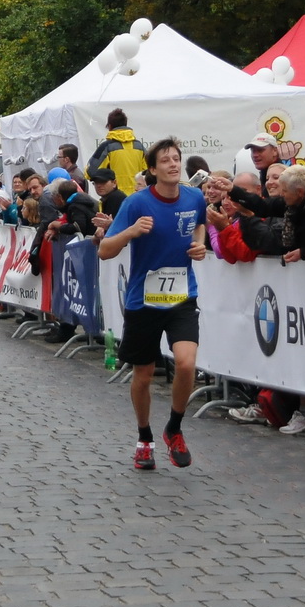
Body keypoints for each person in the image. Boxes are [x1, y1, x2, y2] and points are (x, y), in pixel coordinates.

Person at [98, 137, 207, 471]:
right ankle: (144, 438)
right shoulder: (136, 203)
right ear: (152, 169)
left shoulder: (194, 196)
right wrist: (130, 232)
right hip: (143, 300)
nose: (173, 164)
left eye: (176, 159)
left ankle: (173, 428)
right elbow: (104, 250)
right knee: (143, 374)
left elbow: (200, 224)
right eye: (165, 160)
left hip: (181, 296)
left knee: (186, 363)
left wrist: (199, 244)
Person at [227, 164, 305, 261]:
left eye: (285, 191)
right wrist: (233, 190)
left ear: (300, 192)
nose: (281, 194)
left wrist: (304, 252)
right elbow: (263, 205)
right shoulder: (294, 204)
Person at [86, 109, 147, 189]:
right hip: (137, 194)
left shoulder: (106, 147)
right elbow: (149, 173)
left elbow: (90, 172)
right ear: (125, 125)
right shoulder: (140, 147)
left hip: (115, 194)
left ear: (110, 126)